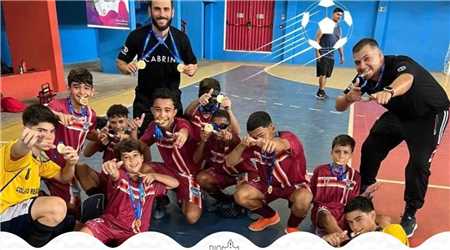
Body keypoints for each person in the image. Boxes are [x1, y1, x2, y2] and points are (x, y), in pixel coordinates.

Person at [336, 38, 450, 237]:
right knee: (371, 147)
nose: (362, 65)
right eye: (357, 62)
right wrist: (347, 98)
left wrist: (389, 91)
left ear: (379, 56)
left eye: (366, 59)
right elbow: (339, 105)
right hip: (400, 115)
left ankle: (410, 214)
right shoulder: (361, 78)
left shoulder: (399, 63)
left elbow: (407, 80)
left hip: (430, 115)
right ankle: (366, 191)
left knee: (418, 164)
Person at [0, 104, 78, 247]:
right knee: (56, 207)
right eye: (41, 131)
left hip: (18, 212)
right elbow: (18, 150)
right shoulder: (14, 152)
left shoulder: (40, 158)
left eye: (52, 131)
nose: (48, 136)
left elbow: (63, 177)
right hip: (3, 214)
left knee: (73, 223)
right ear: (26, 130)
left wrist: (71, 163)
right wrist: (24, 143)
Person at [116, 0, 198, 136]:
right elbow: (120, 61)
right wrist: (126, 68)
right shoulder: (137, 36)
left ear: (172, 12)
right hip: (145, 101)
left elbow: (193, 64)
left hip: (171, 103)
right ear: (149, 11)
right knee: (138, 144)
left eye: (166, 9)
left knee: (176, 142)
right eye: (157, 9)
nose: (162, 14)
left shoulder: (181, 38)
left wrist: (191, 69)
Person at [226, 111, 312, 233]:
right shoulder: (253, 146)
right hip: (267, 185)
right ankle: (270, 216)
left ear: (272, 128)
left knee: (304, 198)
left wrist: (270, 144)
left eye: (261, 135)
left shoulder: (288, 137)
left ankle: (292, 226)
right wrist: (241, 145)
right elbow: (229, 162)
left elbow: (281, 144)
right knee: (240, 196)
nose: (257, 140)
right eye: (253, 137)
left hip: (294, 186)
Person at [80, 139, 178, 245]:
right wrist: (112, 170)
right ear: (121, 161)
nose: (132, 160)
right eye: (126, 157)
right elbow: (115, 175)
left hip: (134, 232)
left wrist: (155, 176)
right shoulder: (121, 176)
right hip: (109, 225)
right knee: (83, 237)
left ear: (142, 158)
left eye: (135, 155)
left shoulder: (150, 183)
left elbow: (175, 183)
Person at [140, 88, 202, 224]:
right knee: (142, 169)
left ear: (174, 112)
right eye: (158, 109)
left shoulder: (181, 125)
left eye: (167, 110)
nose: (162, 114)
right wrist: (132, 131)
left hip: (189, 176)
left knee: (192, 217)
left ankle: (185, 194)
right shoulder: (153, 127)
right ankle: (160, 197)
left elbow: (184, 130)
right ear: (152, 110)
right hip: (168, 171)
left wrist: (182, 135)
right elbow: (140, 146)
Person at [45, 68, 97, 220]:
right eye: (76, 87)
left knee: (72, 201)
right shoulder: (57, 106)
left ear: (92, 91)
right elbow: (38, 113)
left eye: (86, 88)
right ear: (69, 88)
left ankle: (70, 224)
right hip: (46, 161)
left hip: (68, 165)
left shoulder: (90, 114)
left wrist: (100, 136)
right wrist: (56, 115)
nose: (81, 92)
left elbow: (90, 133)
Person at [78, 104, 147, 197]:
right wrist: (98, 140)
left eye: (121, 121)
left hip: (122, 181)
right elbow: (87, 153)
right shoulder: (108, 136)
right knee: (80, 168)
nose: (118, 126)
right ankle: (98, 198)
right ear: (109, 122)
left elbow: (140, 153)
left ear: (127, 120)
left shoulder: (133, 136)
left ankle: (110, 198)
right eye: (113, 122)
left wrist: (129, 137)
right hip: (106, 178)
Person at [193, 110, 251, 216]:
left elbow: (236, 138)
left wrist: (231, 140)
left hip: (240, 174)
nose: (219, 129)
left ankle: (244, 204)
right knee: (201, 178)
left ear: (229, 127)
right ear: (210, 126)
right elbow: (196, 160)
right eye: (215, 125)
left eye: (223, 126)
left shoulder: (234, 139)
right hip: (221, 173)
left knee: (243, 194)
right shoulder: (208, 138)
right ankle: (225, 200)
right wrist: (203, 141)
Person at [310, 135, 361, 236]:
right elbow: (311, 195)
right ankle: (345, 242)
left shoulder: (355, 176)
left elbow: (354, 203)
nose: (341, 156)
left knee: (380, 218)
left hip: (344, 214)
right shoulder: (320, 171)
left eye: (345, 152)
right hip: (323, 212)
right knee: (326, 216)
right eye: (337, 151)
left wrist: (366, 195)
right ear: (331, 153)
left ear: (351, 155)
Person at [322, 196, 409, 247]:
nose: (354, 227)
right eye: (350, 222)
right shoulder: (354, 241)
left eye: (358, 219)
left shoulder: (393, 230)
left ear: (372, 215)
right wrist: (326, 242)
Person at [315, 7, 345, 99]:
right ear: (333, 14)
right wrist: (317, 53)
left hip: (331, 55)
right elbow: (317, 39)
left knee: (327, 75)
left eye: (341, 15)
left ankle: (321, 90)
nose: (339, 17)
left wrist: (341, 56)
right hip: (323, 53)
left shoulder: (339, 29)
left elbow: (339, 43)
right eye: (338, 14)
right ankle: (320, 92)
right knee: (323, 74)